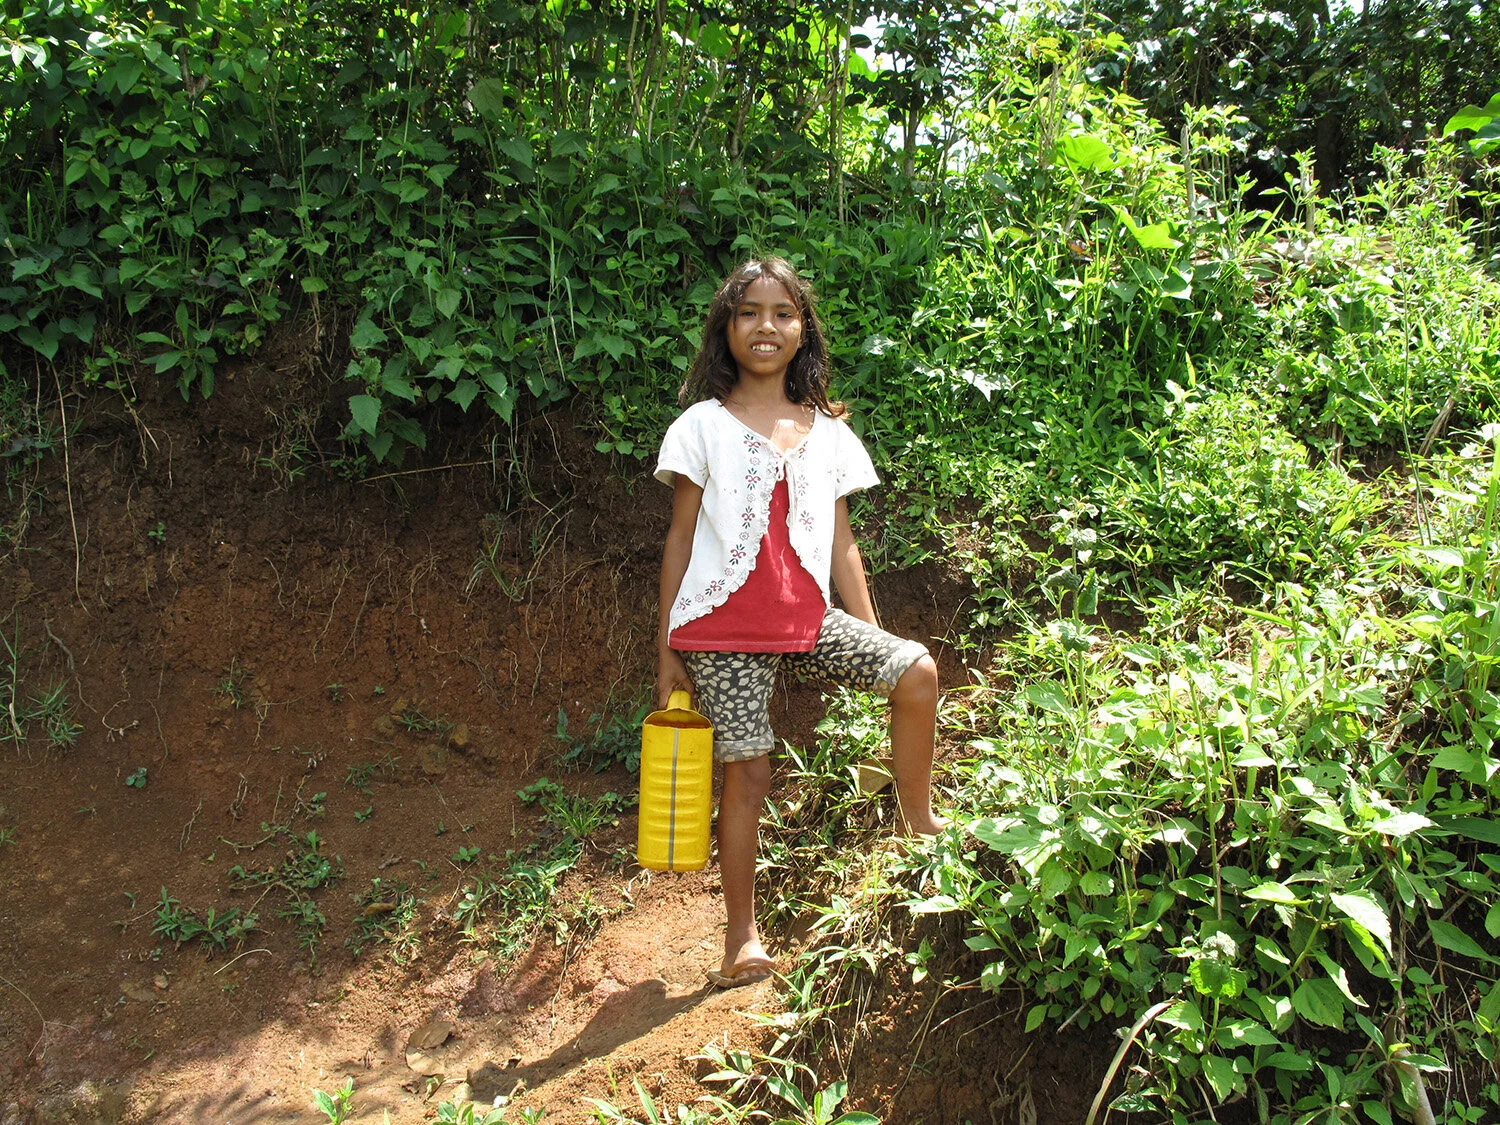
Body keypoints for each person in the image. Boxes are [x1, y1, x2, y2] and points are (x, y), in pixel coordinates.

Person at [654, 257, 947, 990]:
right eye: (749, 311)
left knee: (915, 670)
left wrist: (872, 634)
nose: (766, 326)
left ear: (802, 330)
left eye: (783, 313)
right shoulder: (701, 427)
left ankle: (919, 827)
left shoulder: (830, 433)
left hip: (809, 621)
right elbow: (681, 540)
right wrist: (666, 648)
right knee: (747, 774)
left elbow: (843, 542)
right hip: (718, 629)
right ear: (726, 328)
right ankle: (740, 941)